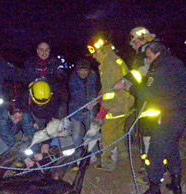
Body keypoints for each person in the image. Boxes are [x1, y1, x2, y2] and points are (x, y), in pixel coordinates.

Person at [119, 41, 186, 194]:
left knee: (155, 151)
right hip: (183, 113)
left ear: (156, 53)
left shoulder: (159, 68)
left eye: (149, 57)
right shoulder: (176, 62)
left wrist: (129, 88)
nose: (148, 61)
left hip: (169, 115)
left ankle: (154, 189)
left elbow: (147, 94)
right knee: (171, 146)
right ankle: (176, 183)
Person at [113, 27, 159, 179]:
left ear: (145, 38)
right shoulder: (144, 54)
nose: (133, 46)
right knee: (146, 135)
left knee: (151, 137)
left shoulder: (152, 54)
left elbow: (141, 74)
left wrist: (125, 83)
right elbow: (137, 74)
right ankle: (151, 168)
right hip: (146, 100)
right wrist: (124, 81)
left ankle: (153, 172)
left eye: (135, 42)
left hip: (153, 103)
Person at [88, 37, 135, 172]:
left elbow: (109, 94)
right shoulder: (113, 59)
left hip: (116, 106)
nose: (93, 56)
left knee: (107, 134)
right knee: (119, 131)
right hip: (125, 104)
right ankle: (123, 155)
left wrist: (102, 112)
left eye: (95, 53)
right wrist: (97, 99)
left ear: (101, 51)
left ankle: (107, 165)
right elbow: (109, 87)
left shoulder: (108, 64)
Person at [24, 41, 68, 118]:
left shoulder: (56, 62)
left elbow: (62, 76)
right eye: (41, 49)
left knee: (54, 126)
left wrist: (47, 79)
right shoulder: (30, 63)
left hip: (54, 100)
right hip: (35, 101)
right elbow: (25, 78)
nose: (44, 52)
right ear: (37, 51)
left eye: (47, 50)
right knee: (36, 126)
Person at [68, 59, 100, 149]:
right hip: (76, 110)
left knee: (92, 133)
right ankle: (78, 154)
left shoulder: (93, 76)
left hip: (90, 111)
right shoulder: (72, 78)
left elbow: (95, 89)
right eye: (80, 71)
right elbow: (75, 94)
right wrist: (86, 103)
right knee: (76, 135)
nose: (83, 73)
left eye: (85, 70)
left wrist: (94, 100)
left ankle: (93, 154)